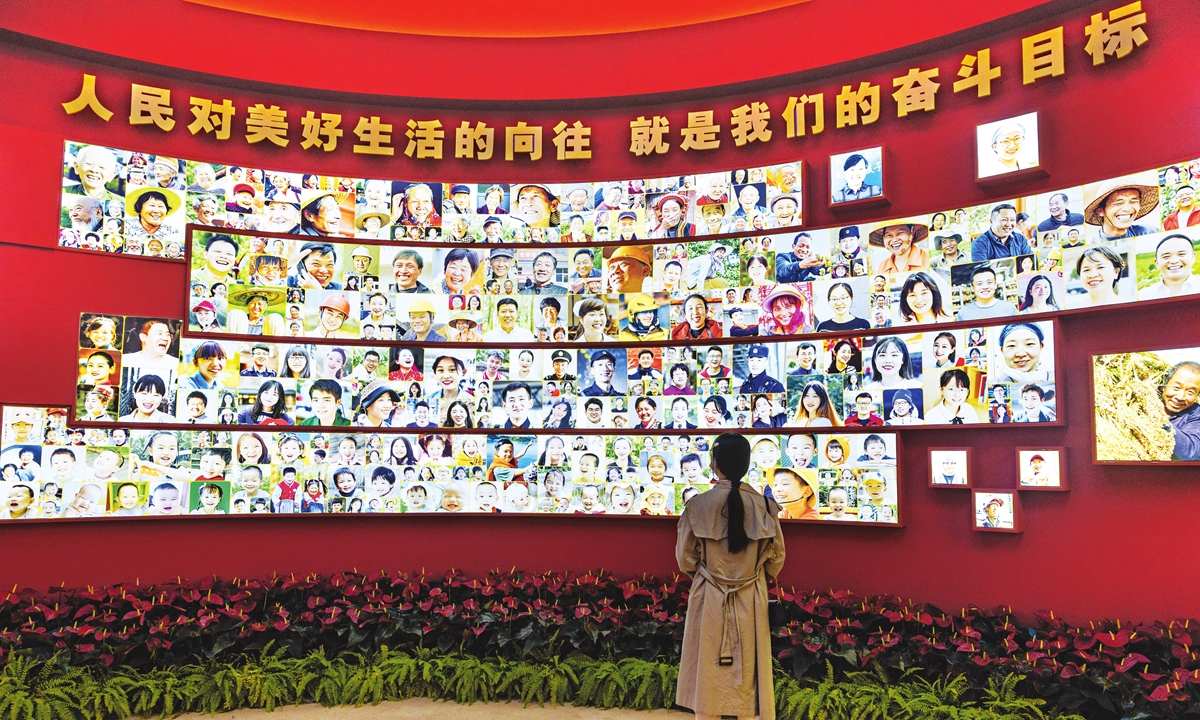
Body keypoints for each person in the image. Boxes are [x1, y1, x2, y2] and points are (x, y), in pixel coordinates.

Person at [676, 432, 784, 720]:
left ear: (714, 464)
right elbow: (776, 559)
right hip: (751, 597)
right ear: (747, 464)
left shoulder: (697, 506)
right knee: (748, 671)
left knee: (709, 672)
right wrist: (754, 576)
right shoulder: (765, 506)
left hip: (709, 596)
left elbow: (685, 559)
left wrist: (711, 575)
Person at [1084, 177, 1159, 241]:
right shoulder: (1092, 246)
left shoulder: (1149, 232)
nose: (1127, 208)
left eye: (1133, 201)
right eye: (1118, 203)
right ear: (1100, 211)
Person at [1139, 234, 1200, 299]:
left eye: (1181, 254)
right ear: (1157, 263)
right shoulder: (1144, 295)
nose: (1174, 261)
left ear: (1193, 257)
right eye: (1166, 256)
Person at [1162, 361, 1200, 461]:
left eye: (1190, 392)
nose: (1180, 397)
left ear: (1197, 395)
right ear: (1165, 385)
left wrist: (1160, 422)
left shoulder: (1196, 414)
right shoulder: (1143, 400)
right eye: (1176, 388)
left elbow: (1190, 452)